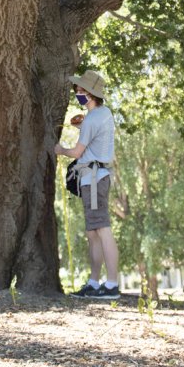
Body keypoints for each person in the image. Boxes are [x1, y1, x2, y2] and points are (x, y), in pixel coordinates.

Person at [55, 69, 120, 299]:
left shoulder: (92, 118)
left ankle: (111, 285)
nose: (77, 93)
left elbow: (77, 151)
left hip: (93, 179)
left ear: (90, 94)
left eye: (81, 90)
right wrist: (82, 128)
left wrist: (60, 150)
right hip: (96, 177)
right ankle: (94, 283)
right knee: (94, 233)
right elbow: (96, 140)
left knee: (102, 229)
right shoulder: (103, 114)